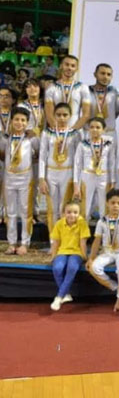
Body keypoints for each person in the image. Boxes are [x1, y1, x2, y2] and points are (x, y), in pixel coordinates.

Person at [87, 189, 119, 311]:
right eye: (113, 203)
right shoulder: (102, 221)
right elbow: (97, 241)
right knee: (94, 268)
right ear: (107, 203)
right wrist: (91, 258)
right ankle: (116, 288)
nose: (115, 206)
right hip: (107, 252)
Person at [1, 107, 38, 255]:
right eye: (16, 119)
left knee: (25, 211)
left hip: (25, 179)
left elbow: (39, 154)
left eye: (23, 120)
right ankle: (11, 242)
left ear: (27, 123)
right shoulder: (5, 139)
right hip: (9, 178)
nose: (19, 122)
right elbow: (2, 155)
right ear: (11, 121)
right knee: (10, 212)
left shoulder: (32, 139)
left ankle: (24, 243)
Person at [39, 103, 81, 231]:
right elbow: (42, 156)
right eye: (58, 115)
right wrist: (41, 178)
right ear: (54, 116)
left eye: (65, 115)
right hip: (51, 173)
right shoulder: (47, 133)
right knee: (52, 208)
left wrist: (76, 181)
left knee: (65, 207)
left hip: (67, 174)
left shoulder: (75, 134)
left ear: (70, 116)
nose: (62, 118)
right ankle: (53, 239)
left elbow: (78, 160)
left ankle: (65, 237)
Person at [48, 200, 90, 311]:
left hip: (76, 252)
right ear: (63, 213)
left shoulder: (82, 223)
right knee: (57, 268)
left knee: (72, 267)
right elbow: (56, 242)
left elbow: (83, 242)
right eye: (69, 212)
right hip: (62, 251)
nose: (72, 215)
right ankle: (66, 294)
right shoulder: (59, 224)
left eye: (75, 212)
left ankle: (59, 297)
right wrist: (53, 256)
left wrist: (85, 256)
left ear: (79, 214)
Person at [74, 117, 115, 220]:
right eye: (92, 127)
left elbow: (112, 163)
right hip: (87, 176)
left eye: (98, 127)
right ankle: (84, 230)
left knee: (104, 207)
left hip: (104, 177)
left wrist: (113, 181)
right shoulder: (83, 144)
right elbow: (77, 165)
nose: (94, 129)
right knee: (85, 207)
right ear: (88, 129)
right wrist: (76, 185)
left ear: (104, 129)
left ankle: (104, 229)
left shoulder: (108, 144)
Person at [44, 54, 90, 130]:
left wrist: (73, 130)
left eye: (73, 66)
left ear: (77, 68)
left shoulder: (83, 88)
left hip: (76, 131)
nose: (69, 68)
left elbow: (86, 114)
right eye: (67, 65)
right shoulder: (51, 87)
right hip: (56, 131)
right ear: (61, 66)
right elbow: (49, 113)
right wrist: (57, 130)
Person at [88, 63, 118, 140]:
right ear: (95, 74)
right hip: (90, 133)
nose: (105, 77)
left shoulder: (115, 93)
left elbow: (117, 111)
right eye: (102, 73)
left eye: (109, 74)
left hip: (109, 134)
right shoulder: (86, 91)